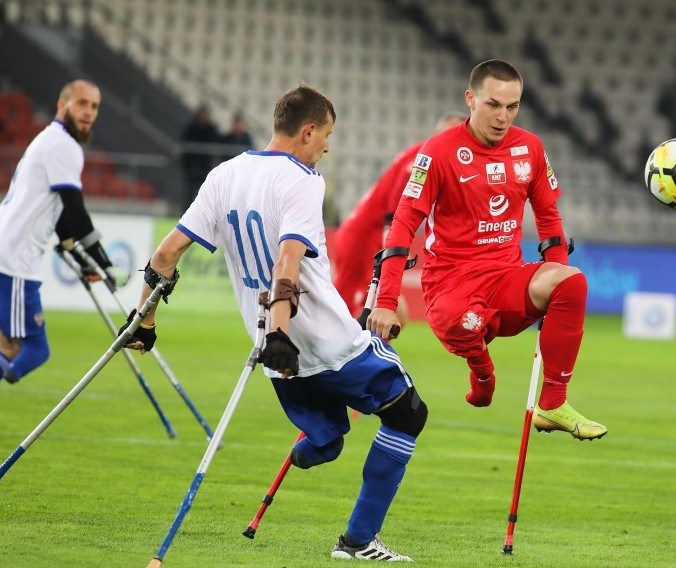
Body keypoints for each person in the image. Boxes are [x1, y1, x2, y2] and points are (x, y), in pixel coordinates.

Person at [122, 84, 427, 561]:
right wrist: (283, 331)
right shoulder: (303, 179)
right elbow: (287, 262)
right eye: (326, 135)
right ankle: (357, 542)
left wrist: (144, 320)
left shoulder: (223, 175)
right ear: (307, 131)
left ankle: (319, 441)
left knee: (329, 441)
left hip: (275, 359)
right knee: (409, 414)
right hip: (329, 345)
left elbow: (165, 254)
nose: (327, 147)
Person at [367, 59, 607, 441]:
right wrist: (385, 298)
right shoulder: (439, 152)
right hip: (450, 286)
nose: (503, 117)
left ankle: (553, 403)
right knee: (462, 326)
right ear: (470, 99)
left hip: (506, 277)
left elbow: (548, 216)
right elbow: (404, 223)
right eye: (493, 104)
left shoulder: (530, 147)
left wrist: (555, 275)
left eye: (512, 107)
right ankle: (482, 372)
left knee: (572, 283)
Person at [0, 79, 125, 404]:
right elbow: (74, 210)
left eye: (94, 106)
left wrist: (78, 257)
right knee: (34, 349)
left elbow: (61, 217)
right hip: (15, 260)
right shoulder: (63, 145)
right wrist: (103, 263)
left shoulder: (48, 140)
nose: (89, 112)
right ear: (63, 106)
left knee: (5, 347)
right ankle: (8, 374)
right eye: (82, 104)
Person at [332, 111, 466, 320]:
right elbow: (394, 206)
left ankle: (367, 350)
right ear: (436, 134)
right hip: (363, 239)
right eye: (448, 134)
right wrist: (390, 253)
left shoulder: (429, 156)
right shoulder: (423, 157)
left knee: (390, 314)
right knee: (352, 313)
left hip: (363, 236)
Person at [180, 103, 220, 211]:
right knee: (189, 193)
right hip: (191, 166)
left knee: (203, 193)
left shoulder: (211, 129)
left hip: (205, 166)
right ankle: (186, 215)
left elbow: (215, 143)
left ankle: (202, 214)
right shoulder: (191, 128)